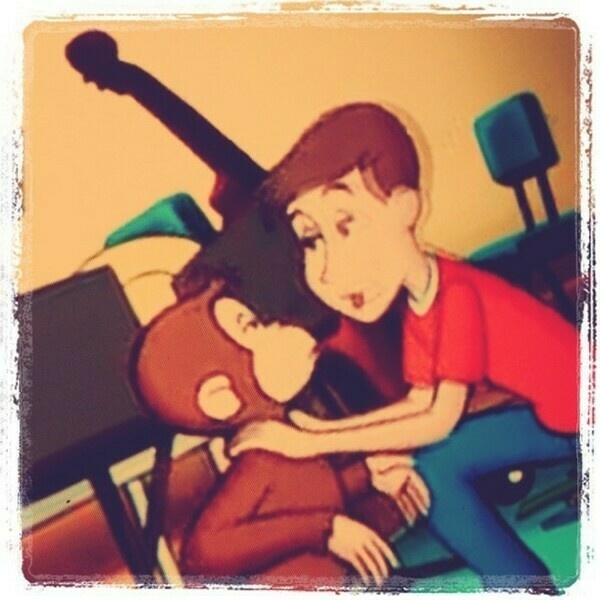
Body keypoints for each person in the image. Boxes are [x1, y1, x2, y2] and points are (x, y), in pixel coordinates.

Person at [228, 103, 579, 590]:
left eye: (346, 224)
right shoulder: (422, 300)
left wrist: (313, 443)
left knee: (433, 467)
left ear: (405, 206)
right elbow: (419, 402)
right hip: (547, 414)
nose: (326, 265)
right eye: (311, 239)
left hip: (577, 417)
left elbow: (439, 420)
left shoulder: (457, 294)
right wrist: (349, 436)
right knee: (424, 459)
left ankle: (521, 585)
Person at [131, 209, 433, 589]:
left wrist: (371, 473)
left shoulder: (284, 440)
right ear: (221, 398)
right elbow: (203, 553)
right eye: (252, 326)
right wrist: (325, 529)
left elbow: (313, 492)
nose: (282, 325)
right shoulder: (259, 462)